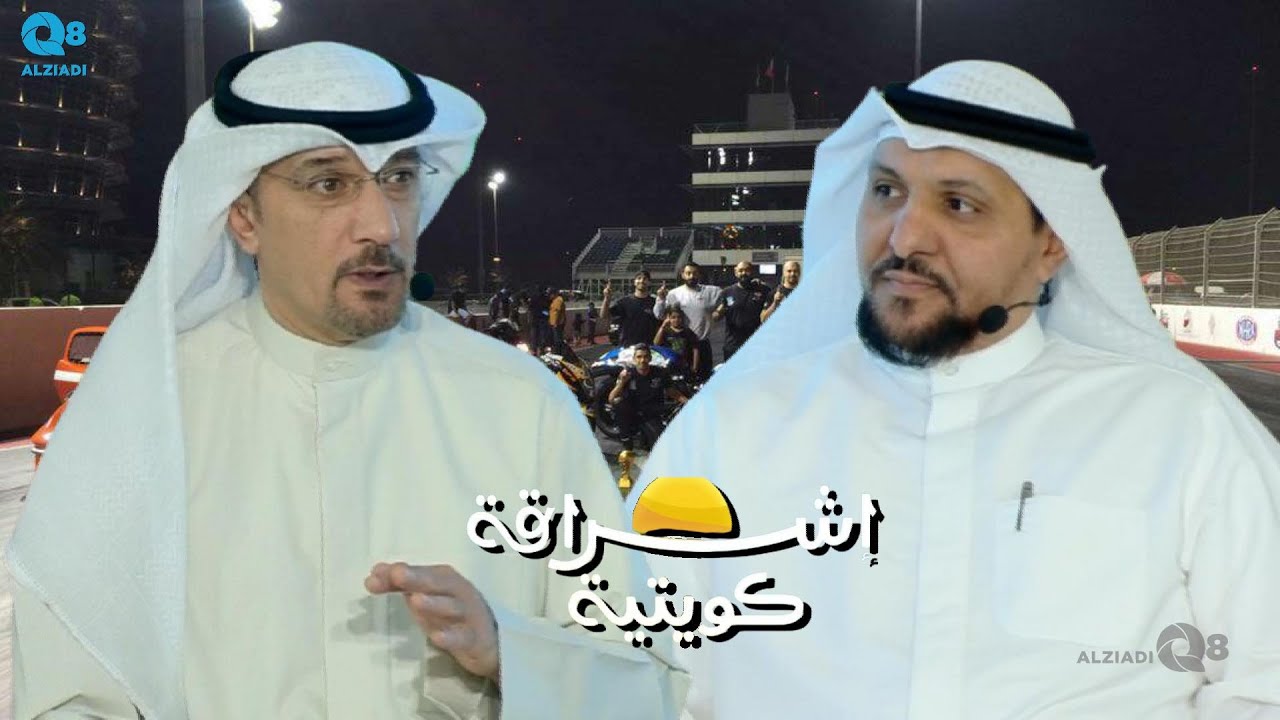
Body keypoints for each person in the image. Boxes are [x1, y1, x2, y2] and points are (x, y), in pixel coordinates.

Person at [8, 42, 687, 720]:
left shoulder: (520, 403)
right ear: (244, 217)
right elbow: (73, 692)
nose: (382, 224)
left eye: (399, 178)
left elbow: (643, 678)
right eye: (329, 184)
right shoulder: (151, 411)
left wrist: (510, 652)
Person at [631, 60, 1280, 718]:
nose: (905, 235)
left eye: (959, 204)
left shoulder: (1180, 432)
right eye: (887, 190)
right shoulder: (731, 428)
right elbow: (635, 670)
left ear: (1052, 243)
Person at [607, 343, 688, 452]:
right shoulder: (628, 374)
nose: (642, 360)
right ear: (634, 359)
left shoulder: (660, 373)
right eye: (639, 357)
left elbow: (673, 393)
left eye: (645, 357)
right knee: (619, 405)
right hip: (634, 412)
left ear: (650, 358)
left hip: (652, 411)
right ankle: (627, 442)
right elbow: (611, 399)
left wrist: (689, 402)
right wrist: (622, 382)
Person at [653, 262, 721, 381]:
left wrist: (719, 312)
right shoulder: (674, 294)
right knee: (680, 381)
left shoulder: (711, 291)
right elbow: (659, 315)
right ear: (683, 275)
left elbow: (728, 297)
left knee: (705, 380)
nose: (691, 276)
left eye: (694, 273)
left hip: (702, 344)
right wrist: (660, 299)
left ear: (699, 275)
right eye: (688, 273)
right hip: (681, 345)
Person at [712, 261, 772, 362]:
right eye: (740, 270)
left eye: (747, 270)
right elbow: (716, 315)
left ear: (752, 272)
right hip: (733, 346)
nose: (743, 273)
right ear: (735, 272)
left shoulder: (764, 290)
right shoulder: (727, 292)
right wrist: (718, 313)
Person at [602, 270, 660, 348]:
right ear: (634, 282)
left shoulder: (655, 303)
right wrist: (606, 299)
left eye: (645, 279)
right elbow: (604, 315)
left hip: (649, 348)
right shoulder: (623, 302)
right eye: (639, 278)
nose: (641, 281)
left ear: (649, 283)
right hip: (627, 347)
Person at [654, 306, 700, 374]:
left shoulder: (688, 332)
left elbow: (695, 349)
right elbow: (656, 343)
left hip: (684, 365)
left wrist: (695, 366)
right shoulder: (665, 331)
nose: (676, 320)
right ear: (669, 318)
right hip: (668, 365)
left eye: (679, 317)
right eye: (673, 317)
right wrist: (663, 326)